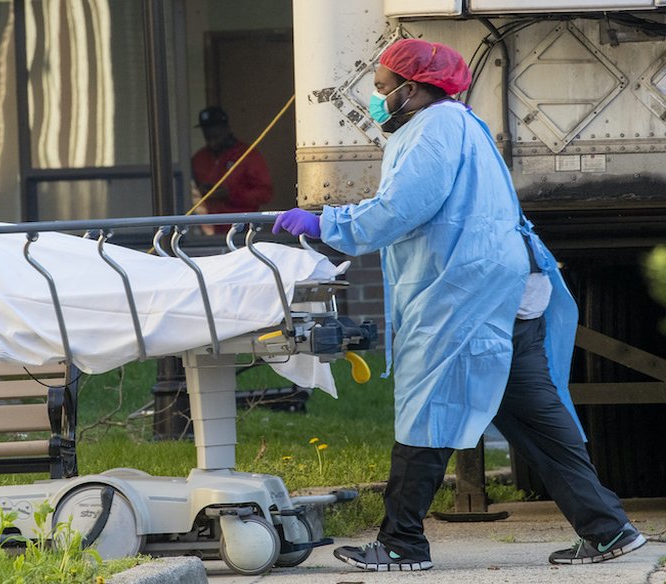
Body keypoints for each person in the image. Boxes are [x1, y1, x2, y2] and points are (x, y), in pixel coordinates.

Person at [273, 38, 646, 572]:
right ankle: (609, 530)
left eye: (383, 89)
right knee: (537, 419)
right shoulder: (460, 123)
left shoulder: (436, 128)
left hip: (465, 295)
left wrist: (327, 223)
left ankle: (401, 543)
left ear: (413, 87)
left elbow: (403, 207)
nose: (377, 100)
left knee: (429, 408)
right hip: (501, 290)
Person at [191, 106, 273, 232]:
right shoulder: (199, 158)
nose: (212, 142)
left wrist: (231, 194)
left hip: (242, 229)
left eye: (216, 136)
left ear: (226, 129)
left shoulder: (247, 155)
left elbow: (265, 194)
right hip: (207, 231)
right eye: (208, 138)